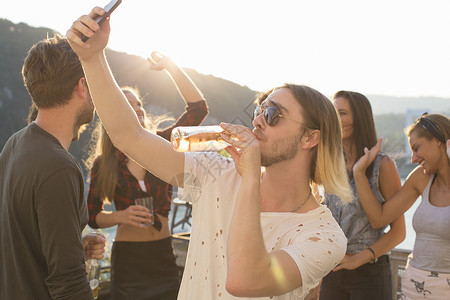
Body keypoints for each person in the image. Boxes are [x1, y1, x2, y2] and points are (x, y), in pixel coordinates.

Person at [66, 8, 351, 299]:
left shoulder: (324, 236)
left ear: (310, 138)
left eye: (274, 114)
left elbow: (244, 281)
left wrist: (251, 178)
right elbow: (131, 137)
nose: (257, 120)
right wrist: (92, 57)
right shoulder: (216, 173)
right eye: (259, 110)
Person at [86, 52, 208, 299]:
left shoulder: (163, 143)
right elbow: (92, 216)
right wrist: (122, 215)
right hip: (128, 258)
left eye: (138, 104)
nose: (136, 109)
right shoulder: (104, 163)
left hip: (163, 255)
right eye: (127, 104)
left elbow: (198, 109)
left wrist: (171, 67)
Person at [0, 35, 106, 300]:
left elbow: (19, 238)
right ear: (82, 86)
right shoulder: (59, 167)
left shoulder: (15, 144)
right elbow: (68, 285)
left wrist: (70, 245)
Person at [319, 91, 406, 300]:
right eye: (333, 113)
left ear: (359, 118)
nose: (335, 119)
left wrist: (358, 259)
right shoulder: (330, 163)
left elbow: (399, 232)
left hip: (369, 273)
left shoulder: (382, 165)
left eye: (342, 113)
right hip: (333, 270)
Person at [352, 113, 450, 300]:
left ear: (439, 142)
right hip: (414, 284)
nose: (412, 158)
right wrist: (359, 173)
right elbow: (379, 218)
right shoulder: (421, 177)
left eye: (416, 148)